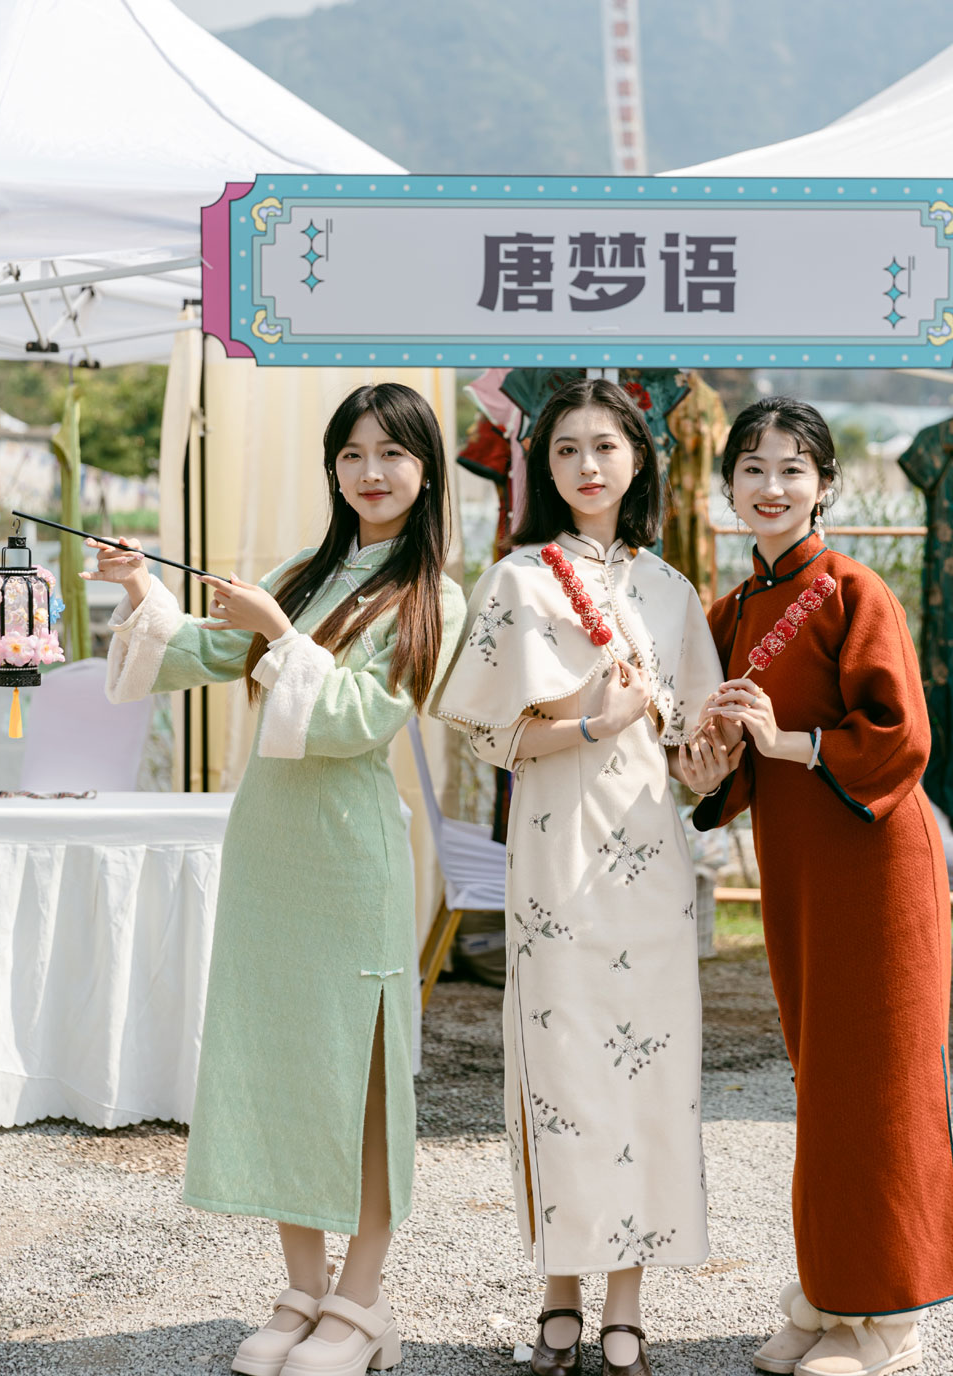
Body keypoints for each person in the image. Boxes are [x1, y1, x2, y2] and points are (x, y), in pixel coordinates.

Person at [84, 383, 466, 1376]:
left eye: (392, 453)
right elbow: (209, 652)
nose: (371, 472)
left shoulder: (435, 595)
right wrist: (140, 593)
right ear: (333, 467)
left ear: (426, 470)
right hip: (270, 845)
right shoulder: (306, 570)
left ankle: (362, 1300)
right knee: (285, 1063)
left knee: (362, 1073)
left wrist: (279, 631)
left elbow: (360, 722)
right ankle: (303, 1285)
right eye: (351, 453)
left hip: (350, 856)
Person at [435, 378, 733, 1376]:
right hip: (556, 859)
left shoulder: (672, 590)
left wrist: (709, 760)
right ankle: (558, 1289)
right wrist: (593, 723)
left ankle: (627, 1301)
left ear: (640, 459)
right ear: (543, 466)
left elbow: (694, 742)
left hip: (651, 861)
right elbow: (483, 729)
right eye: (566, 449)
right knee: (561, 1075)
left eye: (606, 446)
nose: (588, 464)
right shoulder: (518, 579)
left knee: (650, 1072)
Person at [695, 397, 953, 1376]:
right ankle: (824, 1291)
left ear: (824, 482)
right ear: (725, 486)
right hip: (799, 872)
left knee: (879, 1087)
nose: (770, 487)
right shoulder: (727, 611)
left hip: (877, 867)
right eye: (752, 469)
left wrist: (789, 742)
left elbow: (901, 736)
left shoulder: (853, 591)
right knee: (820, 1086)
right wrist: (702, 754)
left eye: (791, 468)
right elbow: (721, 767)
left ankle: (886, 1320)